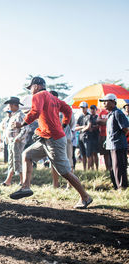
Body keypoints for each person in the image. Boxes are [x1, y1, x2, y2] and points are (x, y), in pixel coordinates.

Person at [10, 76, 92, 209]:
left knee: (64, 171)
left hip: (53, 139)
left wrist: (22, 123)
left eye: (30, 87)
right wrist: (64, 124)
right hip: (47, 138)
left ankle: (85, 197)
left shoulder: (38, 95)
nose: (30, 90)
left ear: (36, 86)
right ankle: (25, 187)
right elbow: (68, 110)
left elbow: (35, 112)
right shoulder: (53, 97)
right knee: (27, 155)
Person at [99, 93, 128, 190]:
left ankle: (122, 187)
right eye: (103, 102)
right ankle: (116, 186)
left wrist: (119, 139)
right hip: (111, 145)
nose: (104, 104)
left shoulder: (118, 113)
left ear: (113, 102)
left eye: (106, 102)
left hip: (118, 145)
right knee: (112, 168)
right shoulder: (110, 114)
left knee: (119, 167)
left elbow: (125, 128)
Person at [49, 91, 76, 188]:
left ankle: (69, 185)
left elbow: (72, 124)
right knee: (53, 162)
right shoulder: (48, 109)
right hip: (53, 140)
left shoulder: (64, 108)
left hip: (65, 139)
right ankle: (55, 185)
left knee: (69, 161)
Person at [1, 97, 27, 186]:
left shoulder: (20, 115)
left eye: (9, 105)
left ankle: (23, 181)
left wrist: (18, 138)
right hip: (12, 142)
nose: (9, 107)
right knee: (11, 161)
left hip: (17, 142)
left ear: (13, 105)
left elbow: (26, 129)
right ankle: (8, 180)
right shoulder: (13, 115)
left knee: (18, 160)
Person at [75, 101, 91, 170]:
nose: (82, 109)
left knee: (88, 154)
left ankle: (88, 169)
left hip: (88, 137)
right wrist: (82, 127)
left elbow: (88, 126)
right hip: (81, 137)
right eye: (81, 108)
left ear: (86, 108)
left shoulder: (89, 116)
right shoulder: (80, 117)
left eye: (83, 108)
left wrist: (81, 128)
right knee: (83, 154)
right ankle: (84, 169)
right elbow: (76, 128)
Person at [87, 105, 100, 170]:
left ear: (96, 109)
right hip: (89, 137)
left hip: (96, 137)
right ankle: (92, 168)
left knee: (95, 153)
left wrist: (92, 127)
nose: (92, 110)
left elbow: (98, 126)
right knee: (90, 154)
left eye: (93, 109)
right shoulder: (89, 117)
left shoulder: (98, 117)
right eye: (91, 109)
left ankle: (97, 168)